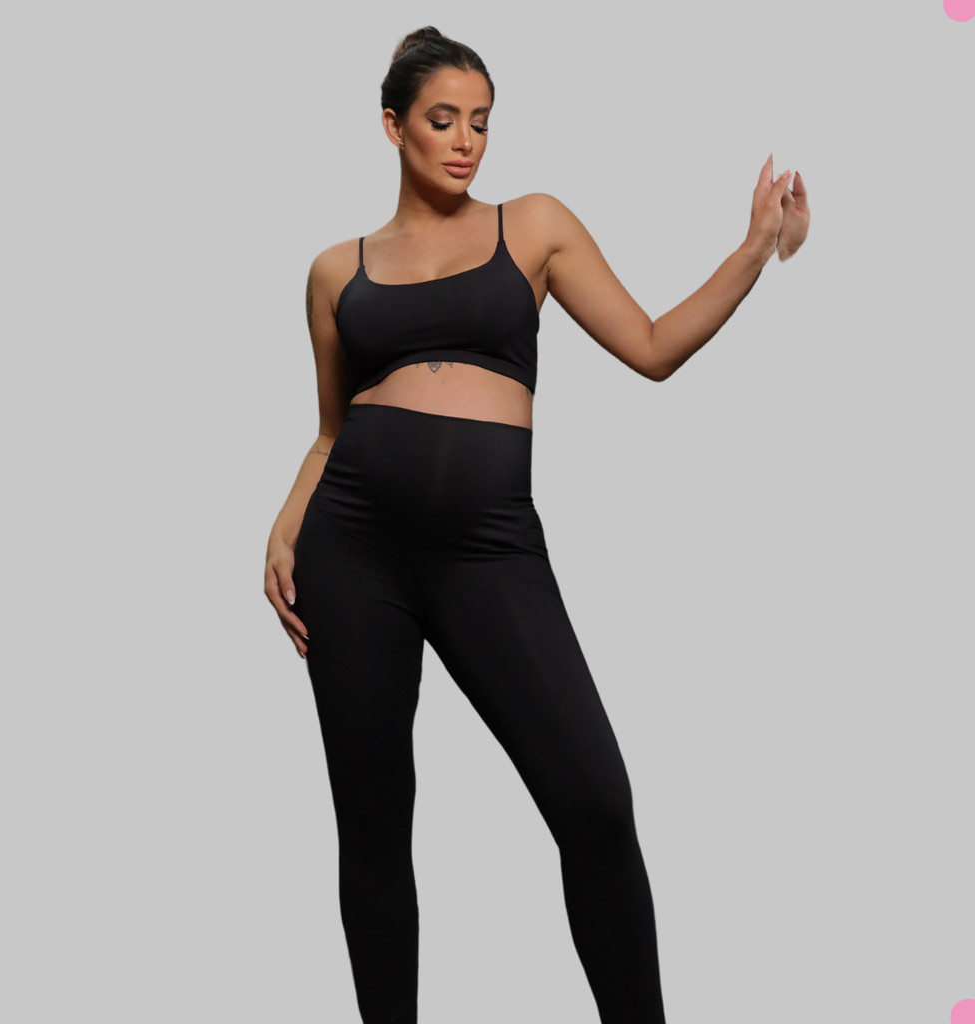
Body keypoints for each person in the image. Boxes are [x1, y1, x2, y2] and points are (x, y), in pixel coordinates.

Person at [264, 25, 810, 1024]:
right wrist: (282, 527)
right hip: (352, 553)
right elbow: (331, 430)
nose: (465, 141)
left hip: (489, 550)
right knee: (374, 826)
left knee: (594, 803)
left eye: (480, 121)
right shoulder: (335, 271)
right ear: (391, 126)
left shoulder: (534, 226)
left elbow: (652, 346)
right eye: (442, 120)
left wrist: (753, 251)